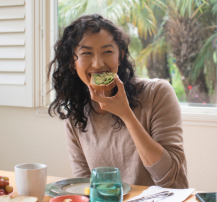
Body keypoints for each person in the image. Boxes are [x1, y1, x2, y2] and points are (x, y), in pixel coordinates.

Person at [47, 14, 188, 188]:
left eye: (107, 52)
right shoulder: (76, 115)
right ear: (72, 62)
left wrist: (126, 114)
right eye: (86, 53)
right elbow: (85, 187)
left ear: (120, 56)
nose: (98, 64)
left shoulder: (157, 93)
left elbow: (169, 178)